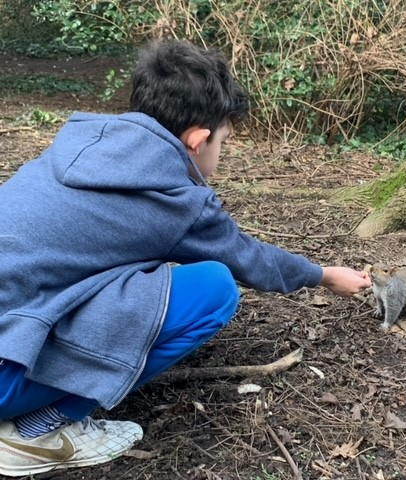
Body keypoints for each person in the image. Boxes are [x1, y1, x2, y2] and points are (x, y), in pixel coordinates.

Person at [0, 39, 371, 477]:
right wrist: (325, 275)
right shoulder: (175, 198)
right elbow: (248, 259)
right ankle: (37, 432)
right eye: (224, 142)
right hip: (6, 375)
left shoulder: (82, 143)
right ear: (198, 139)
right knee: (213, 288)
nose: (221, 153)